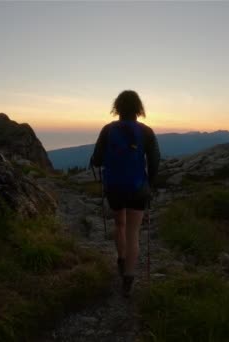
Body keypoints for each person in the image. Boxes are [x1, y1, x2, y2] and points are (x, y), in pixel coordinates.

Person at [90, 90, 160, 297]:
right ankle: (128, 277)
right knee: (133, 232)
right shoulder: (146, 132)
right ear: (139, 109)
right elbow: (155, 160)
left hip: (114, 187)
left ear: (117, 108)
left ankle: (121, 259)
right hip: (138, 188)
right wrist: (151, 183)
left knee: (119, 223)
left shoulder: (108, 130)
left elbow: (97, 159)